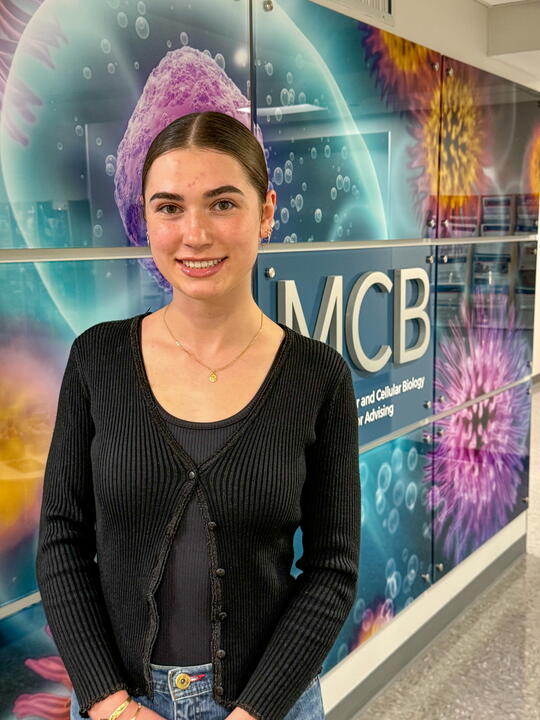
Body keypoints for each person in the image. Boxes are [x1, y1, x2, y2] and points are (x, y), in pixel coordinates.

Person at [36, 111, 361, 720]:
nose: (195, 234)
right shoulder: (97, 359)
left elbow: (332, 571)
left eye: (222, 204)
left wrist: (251, 714)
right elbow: (61, 540)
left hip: (268, 705)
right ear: (146, 218)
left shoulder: (318, 375)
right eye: (169, 207)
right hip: (120, 703)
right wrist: (111, 706)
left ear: (266, 211)